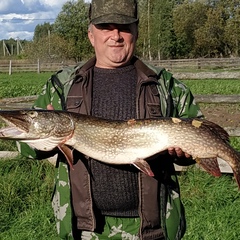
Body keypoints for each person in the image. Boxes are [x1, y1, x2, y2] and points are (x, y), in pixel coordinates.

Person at [19, 0, 203, 239]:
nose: (115, 36)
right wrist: (45, 139)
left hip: (153, 229)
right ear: (91, 35)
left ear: (136, 32)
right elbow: (27, 149)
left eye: (125, 27)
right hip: (86, 229)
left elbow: (199, 139)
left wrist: (187, 154)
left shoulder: (165, 85)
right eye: (105, 26)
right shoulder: (62, 85)